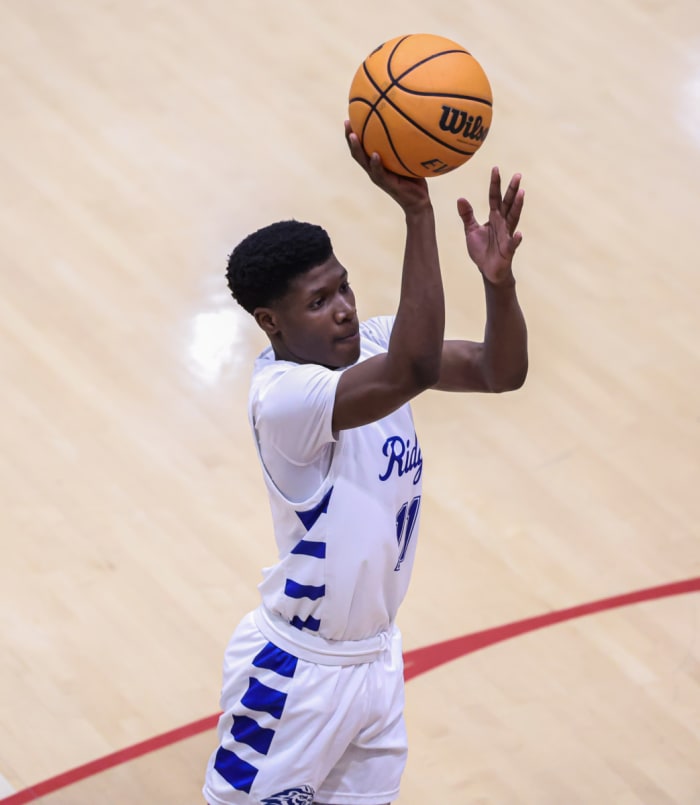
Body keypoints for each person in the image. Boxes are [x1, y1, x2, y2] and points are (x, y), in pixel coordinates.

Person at [203, 121, 527, 805]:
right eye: (319, 303)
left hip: (375, 662)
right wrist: (418, 211)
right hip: (298, 673)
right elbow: (413, 366)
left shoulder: (374, 343)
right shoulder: (286, 398)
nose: (346, 311)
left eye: (343, 288)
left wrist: (498, 284)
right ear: (271, 321)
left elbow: (501, 371)